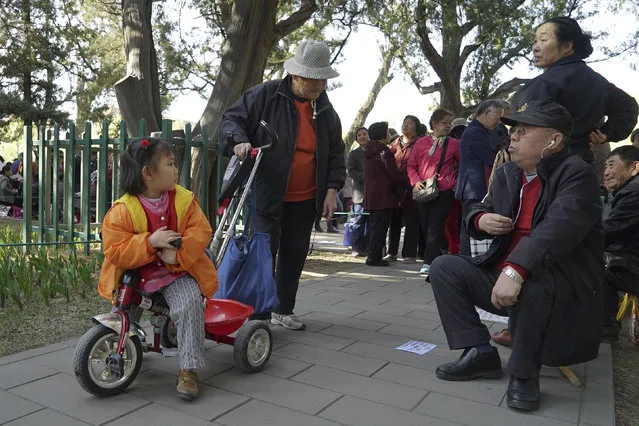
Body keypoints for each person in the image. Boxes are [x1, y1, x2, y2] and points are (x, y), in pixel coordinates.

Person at [429, 100, 603, 412]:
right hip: (506, 278)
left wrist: (515, 270)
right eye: (512, 130)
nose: (512, 136)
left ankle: (524, 374)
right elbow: (478, 207)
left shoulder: (578, 175)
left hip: (558, 287)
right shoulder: (509, 173)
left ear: (553, 140)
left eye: (523, 131)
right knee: (444, 267)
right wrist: (480, 220)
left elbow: (558, 228)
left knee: (532, 280)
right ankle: (479, 351)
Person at [220, 40, 345, 331]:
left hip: (306, 197)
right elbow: (230, 119)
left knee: (295, 251)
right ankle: (259, 315)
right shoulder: (265, 95)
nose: (319, 88)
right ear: (297, 76)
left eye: (323, 82)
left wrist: (331, 190)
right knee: (264, 251)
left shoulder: (325, 109)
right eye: (314, 82)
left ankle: (283, 308)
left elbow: (336, 152)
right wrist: (239, 140)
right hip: (267, 191)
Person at [98, 138, 218, 400]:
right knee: (121, 309)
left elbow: (201, 231)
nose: (176, 170)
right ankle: (118, 347)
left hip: (175, 273)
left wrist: (179, 252)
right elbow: (115, 249)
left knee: (189, 305)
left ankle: (189, 368)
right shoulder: (123, 210)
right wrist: (149, 242)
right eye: (171, 164)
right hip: (138, 275)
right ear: (148, 173)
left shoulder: (185, 201)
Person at [510, 16, 638, 164]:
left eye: (543, 40)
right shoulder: (598, 82)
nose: (535, 47)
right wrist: (605, 133)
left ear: (567, 46)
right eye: (535, 41)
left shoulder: (543, 83)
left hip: (545, 166)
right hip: (582, 165)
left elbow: (526, 131)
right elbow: (629, 107)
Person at [407, 109, 460, 275]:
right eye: (445, 123)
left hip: (444, 191)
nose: (448, 126)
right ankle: (441, 251)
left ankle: (429, 262)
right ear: (435, 124)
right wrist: (415, 182)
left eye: (450, 123)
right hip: (423, 190)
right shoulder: (421, 143)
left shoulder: (454, 144)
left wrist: (455, 182)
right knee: (426, 226)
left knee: (435, 226)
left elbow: (463, 165)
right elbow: (411, 165)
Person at [601, 145, 639, 341]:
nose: (606, 172)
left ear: (634, 167)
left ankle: (606, 325)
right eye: (605, 167)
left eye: (611, 165)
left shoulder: (633, 192)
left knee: (595, 267)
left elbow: (609, 232)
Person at [455, 100, 503, 256]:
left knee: (467, 226)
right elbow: (492, 158)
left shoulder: (477, 130)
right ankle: (467, 261)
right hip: (473, 189)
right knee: (470, 227)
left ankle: (465, 260)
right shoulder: (476, 131)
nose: (499, 121)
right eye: (497, 116)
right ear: (487, 112)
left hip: (471, 188)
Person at [363, 122, 404, 266]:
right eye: (387, 132)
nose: (389, 135)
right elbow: (394, 174)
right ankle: (374, 257)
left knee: (376, 227)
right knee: (380, 228)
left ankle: (373, 255)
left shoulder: (368, 152)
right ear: (382, 134)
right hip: (384, 196)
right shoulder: (384, 152)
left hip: (372, 196)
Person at [385, 115, 422, 263]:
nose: (405, 126)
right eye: (404, 123)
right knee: (394, 220)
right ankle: (392, 252)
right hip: (395, 187)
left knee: (412, 221)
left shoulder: (420, 143)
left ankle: (410, 253)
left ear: (416, 127)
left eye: (410, 123)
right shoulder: (395, 143)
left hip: (411, 186)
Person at [348, 127, 369, 256]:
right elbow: (351, 171)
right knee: (358, 221)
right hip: (360, 193)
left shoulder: (374, 152)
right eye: (359, 135)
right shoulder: (354, 153)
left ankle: (367, 247)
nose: (362, 137)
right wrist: (367, 177)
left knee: (371, 223)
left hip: (373, 194)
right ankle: (356, 247)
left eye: (365, 134)